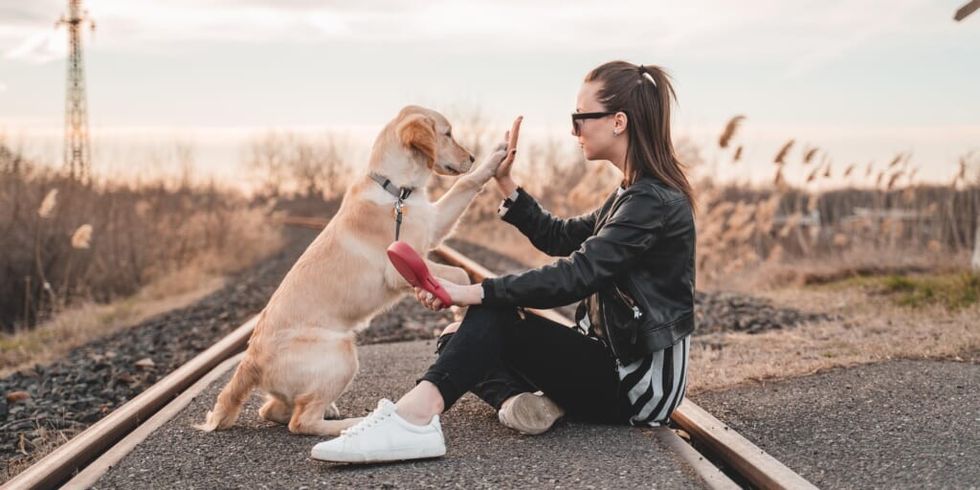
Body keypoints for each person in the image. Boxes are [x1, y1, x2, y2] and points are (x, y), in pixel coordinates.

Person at [311, 60, 698, 464]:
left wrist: (475, 291)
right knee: (456, 338)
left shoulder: (651, 202)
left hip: (636, 385)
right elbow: (559, 237)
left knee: (489, 317)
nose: (573, 130)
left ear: (618, 121)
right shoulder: (631, 195)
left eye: (580, 118)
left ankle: (413, 419)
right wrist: (505, 182)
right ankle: (523, 402)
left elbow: (577, 274)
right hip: (608, 361)